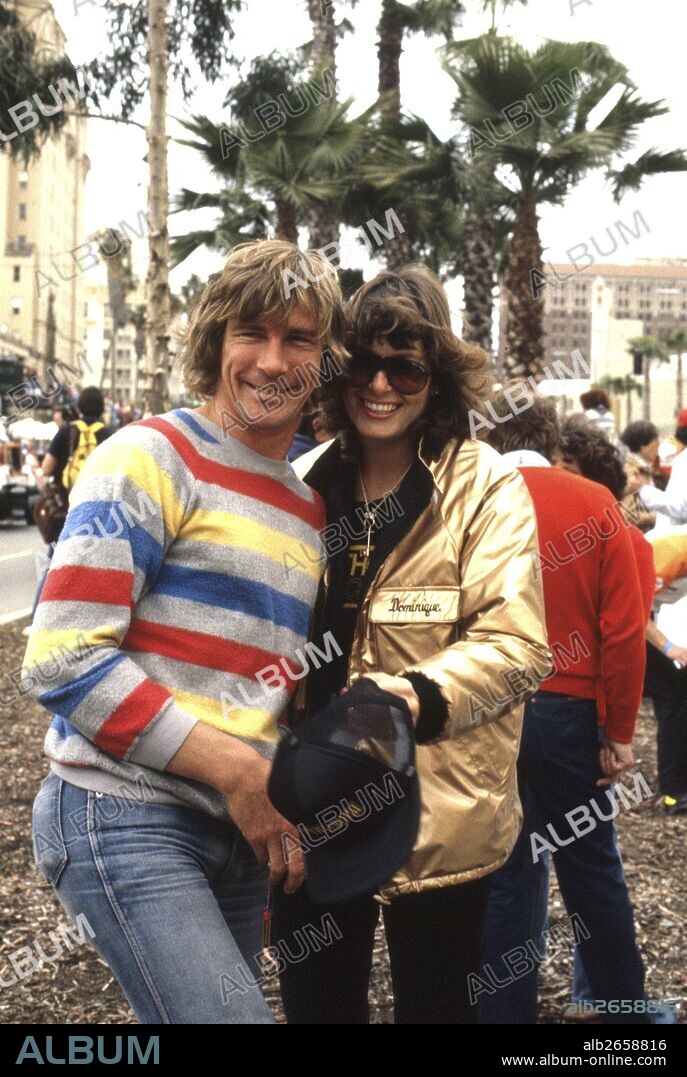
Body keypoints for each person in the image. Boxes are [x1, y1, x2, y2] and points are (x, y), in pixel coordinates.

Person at [22, 239, 346, 1024]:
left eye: (298, 338)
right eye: (251, 333)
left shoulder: (307, 510)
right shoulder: (150, 457)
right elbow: (62, 656)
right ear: (214, 343)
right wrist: (239, 770)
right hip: (119, 810)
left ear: (324, 358)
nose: (272, 360)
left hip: (235, 832)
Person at [274, 267, 551, 1025]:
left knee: (437, 1007)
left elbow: (516, 643)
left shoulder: (484, 485)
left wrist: (409, 695)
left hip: (439, 816)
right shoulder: (301, 481)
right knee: (317, 1007)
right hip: (311, 807)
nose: (381, 385)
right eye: (364, 361)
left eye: (407, 366)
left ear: (439, 378)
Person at [480, 386, 650, 1025]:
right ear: (552, 444)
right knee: (592, 872)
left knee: (507, 872)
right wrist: (620, 730)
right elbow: (624, 631)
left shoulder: (474, 501)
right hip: (570, 715)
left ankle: (502, 1020)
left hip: (490, 709)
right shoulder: (595, 503)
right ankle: (625, 1022)